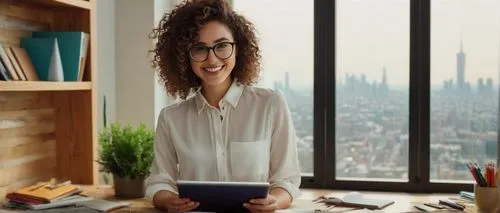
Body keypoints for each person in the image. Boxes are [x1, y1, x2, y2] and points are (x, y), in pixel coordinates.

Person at [145, 0, 301, 212]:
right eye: (200, 48)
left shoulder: (270, 104)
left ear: (238, 48)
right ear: (184, 56)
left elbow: (287, 179)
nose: (212, 58)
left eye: (222, 46)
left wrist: (275, 200)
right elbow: (159, 182)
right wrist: (167, 200)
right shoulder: (171, 118)